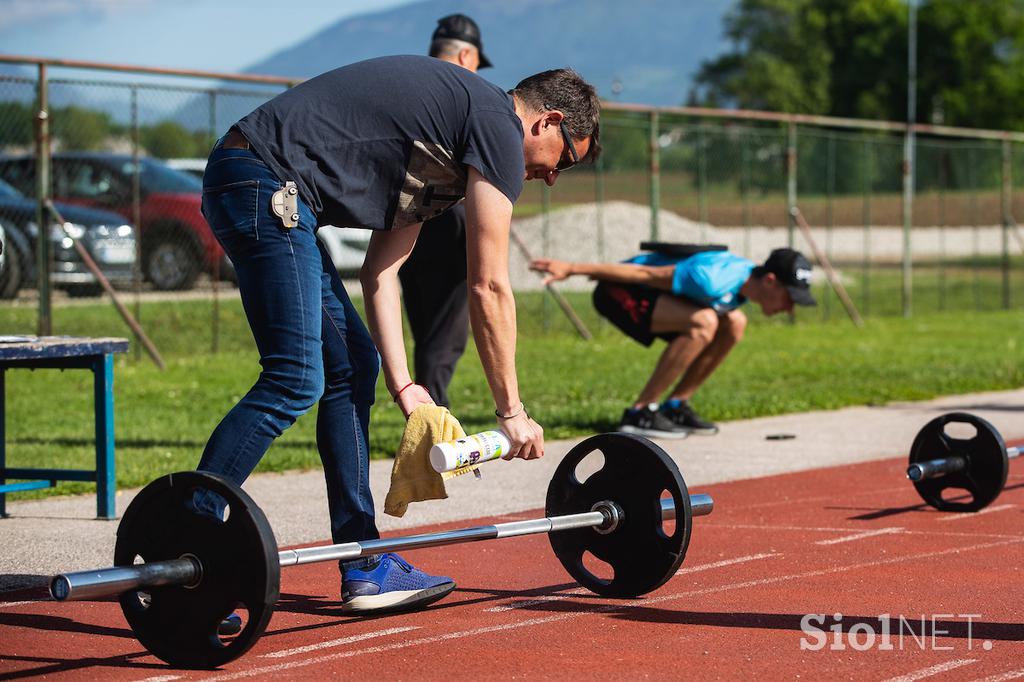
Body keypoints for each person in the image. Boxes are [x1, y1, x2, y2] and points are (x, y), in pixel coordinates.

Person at [197, 56, 600, 616]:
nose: (554, 177)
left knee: (352, 368)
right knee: (294, 378)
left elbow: (380, 273)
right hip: (264, 181)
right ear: (547, 121)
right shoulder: (495, 124)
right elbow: (487, 284)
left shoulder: (448, 150)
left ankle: (364, 565)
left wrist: (405, 383)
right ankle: (185, 533)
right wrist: (511, 411)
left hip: (265, 185)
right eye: (567, 160)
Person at [530, 246, 815, 438]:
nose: (790, 308)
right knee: (705, 322)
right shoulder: (712, 279)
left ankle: (675, 406)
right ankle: (640, 412)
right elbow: (644, 274)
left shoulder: (742, 281)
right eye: (790, 298)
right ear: (769, 281)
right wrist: (572, 268)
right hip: (618, 291)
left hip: (656, 297)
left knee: (735, 322)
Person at [399, 13, 492, 408]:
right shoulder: (462, 89)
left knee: (425, 327)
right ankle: (433, 424)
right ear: (466, 54)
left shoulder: (409, 83)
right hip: (447, 216)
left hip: (401, 216)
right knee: (445, 333)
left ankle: (425, 414)